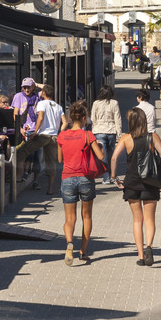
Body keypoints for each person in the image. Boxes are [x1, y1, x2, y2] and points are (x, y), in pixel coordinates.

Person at [112, 107, 161, 266]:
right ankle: (149, 246)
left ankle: (140, 256)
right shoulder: (153, 137)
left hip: (131, 183)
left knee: (137, 220)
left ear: (130, 122)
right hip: (150, 183)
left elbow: (115, 157)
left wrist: (113, 176)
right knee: (150, 219)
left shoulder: (125, 138)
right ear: (145, 121)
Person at [55, 101, 105, 265]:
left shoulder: (62, 136)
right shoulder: (87, 135)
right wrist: (100, 146)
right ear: (84, 118)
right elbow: (100, 157)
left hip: (67, 178)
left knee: (70, 218)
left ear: (70, 119)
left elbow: (60, 159)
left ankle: (70, 243)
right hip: (85, 178)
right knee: (87, 215)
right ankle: (83, 251)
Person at [19, 85, 64, 196]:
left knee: (22, 151)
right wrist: (59, 132)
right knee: (51, 163)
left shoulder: (41, 103)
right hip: (54, 136)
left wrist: (35, 132)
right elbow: (65, 122)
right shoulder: (58, 106)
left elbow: (40, 117)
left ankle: (19, 176)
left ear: (43, 93)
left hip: (43, 135)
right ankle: (50, 189)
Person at [90, 86, 123, 181]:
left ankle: (106, 177)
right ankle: (112, 174)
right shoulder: (114, 103)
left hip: (99, 130)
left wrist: (93, 131)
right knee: (111, 154)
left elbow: (93, 119)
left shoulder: (96, 103)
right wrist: (119, 133)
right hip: (111, 131)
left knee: (102, 154)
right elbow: (118, 119)